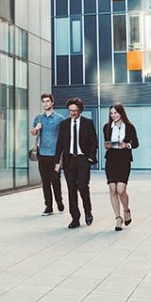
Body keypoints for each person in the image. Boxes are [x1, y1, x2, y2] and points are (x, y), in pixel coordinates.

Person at [54, 98, 98, 229]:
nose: (73, 113)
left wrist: (90, 158)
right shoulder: (64, 124)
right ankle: (75, 218)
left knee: (83, 186)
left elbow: (93, 142)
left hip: (83, 159)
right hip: (69, 161)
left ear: (80, 110)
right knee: (71, 189)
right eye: (70, 111)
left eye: (75, 110)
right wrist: (57, 162)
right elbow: (60, 145)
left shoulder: (87, 123)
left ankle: (88, 212)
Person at [102, 103, 139, 231]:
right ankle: (118, 218)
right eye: (111, 113)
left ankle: (126, 210)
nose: (113, 116)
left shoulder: (129, 127)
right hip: (111, 160)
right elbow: (106, 142)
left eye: (116, 113)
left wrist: (127, 145)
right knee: (112, 189)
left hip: (124, 160)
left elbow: (136, 144)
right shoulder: (106, 127)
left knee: (121, 190)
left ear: (121, 113)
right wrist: (108, 145)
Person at [31, 93, 65, 216]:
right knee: (45, 182)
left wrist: (61, 157)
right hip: (42, 154)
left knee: (55, 179)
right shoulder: (39, 118)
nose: (45, 104)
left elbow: (62, 138)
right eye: (43, 102)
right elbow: (33, 133)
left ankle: (59, 201)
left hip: (55, 155)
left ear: (52, 102)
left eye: (47, 101)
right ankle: (49, 207)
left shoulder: (59, 118)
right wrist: (36, 128)